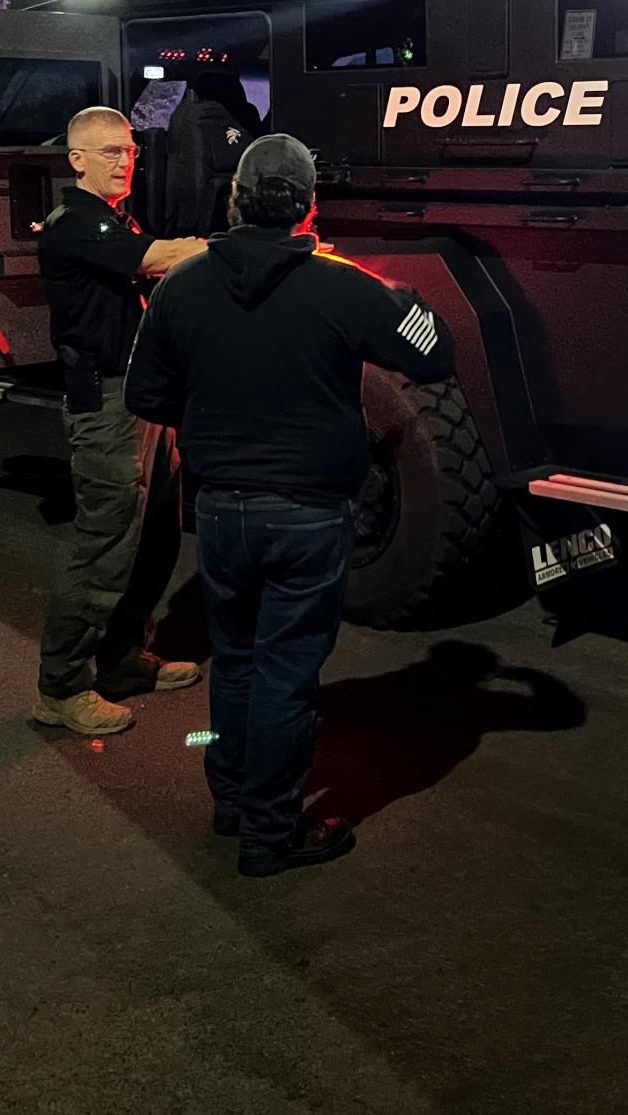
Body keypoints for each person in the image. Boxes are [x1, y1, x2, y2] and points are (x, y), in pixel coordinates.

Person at [125, 134, 455, 876]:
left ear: (234, 197)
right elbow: (433, 350)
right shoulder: (343, 287)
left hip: (222, 511)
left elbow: (144, 394)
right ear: (310, 206)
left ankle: (234, 803)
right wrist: (406, 298)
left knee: (237, 662)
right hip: (309, 512)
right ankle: (271, 833)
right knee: (285, 673)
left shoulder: (182, 287)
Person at [33, 106, 206, 737]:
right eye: (109, 152)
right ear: (76, 159)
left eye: (128, 151)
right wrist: (243, 244)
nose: (123, 160)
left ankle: (123, 657)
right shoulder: (74, 224)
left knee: (156, 536)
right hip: (104, 405)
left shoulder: (112, 217)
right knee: (104, 546)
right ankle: (61, 687)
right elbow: (158, 259)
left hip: (144, 400)